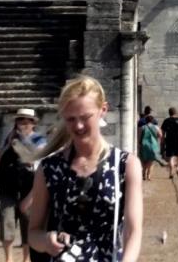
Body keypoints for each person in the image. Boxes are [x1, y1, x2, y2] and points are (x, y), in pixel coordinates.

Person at [27, 76, 141, 262]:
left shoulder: (126, 165)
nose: (78, 126)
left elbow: (133, 231)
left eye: (86, 117)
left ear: (103, 110)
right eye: (71, 119)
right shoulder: (48, 168)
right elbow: (33, 233)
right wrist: (46, 241)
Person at [0, 109, 47, 262]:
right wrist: (8, 145)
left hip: (29, 188)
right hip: (9, 188)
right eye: (20, 121)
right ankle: (8, 259)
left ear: (33, 124)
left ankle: (26, 259)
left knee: (28, 223)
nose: (23, 124)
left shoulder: (39, 140)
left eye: (26, 121)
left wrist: (21, 145)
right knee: (6, 221)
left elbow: (35, 162)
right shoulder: (10, 138)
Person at [159, 109, 178, 179]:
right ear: (175, 113)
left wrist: (162, 141)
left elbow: (163, 132)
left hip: (169, 140)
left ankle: (171, 172)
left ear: (169, 113)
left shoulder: (166, 121)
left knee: (171, 157)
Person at [137, 117, 162, 182]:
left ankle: (144, 173)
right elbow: (160, 135)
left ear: (146, 120)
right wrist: (155, 137)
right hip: (153, 145)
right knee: (151, 160)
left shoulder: (142, 127)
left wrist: (139, 144)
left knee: (144, 160)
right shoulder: (156, 127)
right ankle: (149, 175)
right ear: (152, 120)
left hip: (144, 145)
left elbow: (139, 137)